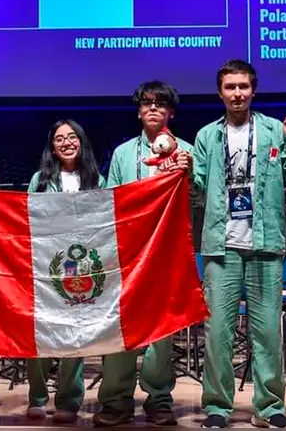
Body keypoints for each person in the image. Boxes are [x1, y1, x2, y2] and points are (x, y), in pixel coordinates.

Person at [192, 60, 286, 429]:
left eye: (243, 86)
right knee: (218, 333)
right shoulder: (206, 136)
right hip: (220, 246)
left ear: (253, 90)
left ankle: (270, 407)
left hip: (266, 245)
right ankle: (217, 406)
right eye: (230, 87)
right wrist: (177, 169)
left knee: (267, 333)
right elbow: (196, 190)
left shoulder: (275, 130)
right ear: (220, 92)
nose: (237, 93)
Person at [93, 80, 192, 428]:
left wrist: (188, 173)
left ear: (170, 112)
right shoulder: (122, 154)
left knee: (161, 334)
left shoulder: (187, 151)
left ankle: (159, 399)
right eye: (147, 104)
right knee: (119, 329)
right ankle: (115, 399)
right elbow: (110, 200)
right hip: (128, 254)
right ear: (138, 111)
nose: (153, 109)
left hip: (168, 253)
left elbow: (198, 200)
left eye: (160, 104)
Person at [25, 120, 106, 425]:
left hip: (82, 268)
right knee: (40, 334)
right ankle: (36, 397)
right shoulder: (40, 180)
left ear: (81, 141)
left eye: (72, 136)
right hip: (45, 268)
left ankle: (69, 400)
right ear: (52, 146)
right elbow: (28, 220)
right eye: (60, 138)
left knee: (74, 335)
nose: (67, 142)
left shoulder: (97, 179)